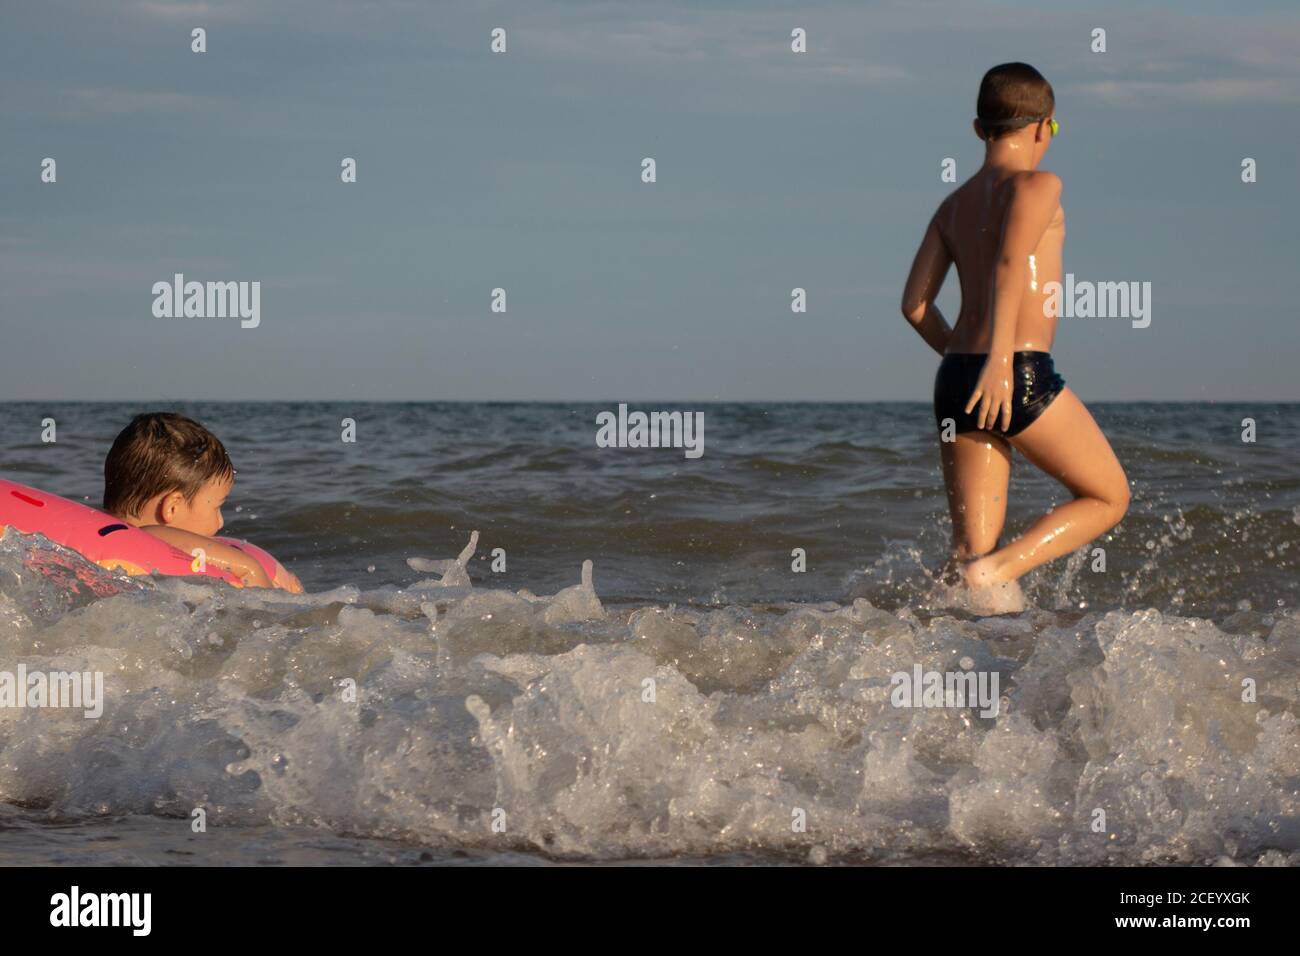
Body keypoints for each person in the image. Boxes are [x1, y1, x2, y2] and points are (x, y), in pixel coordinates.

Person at [900, 62, 1130, 613]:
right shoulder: (1040, 185)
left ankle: (945, 655)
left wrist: (971, 361)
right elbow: (1009, 262)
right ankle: (999, 570)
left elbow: (914, 307)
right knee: (1108, 496)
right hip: (1018, 371)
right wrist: (1001, 361)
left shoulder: (952, 206)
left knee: (964, 554)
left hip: (957, 378)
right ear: (1043, 126)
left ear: (979, 130)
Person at [103, 412, 302, 592]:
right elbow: (248, 569)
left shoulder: (99, 533)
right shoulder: (151, 535)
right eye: (217, 507)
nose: (220, 522)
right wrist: (282, 600)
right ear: (172, 507)